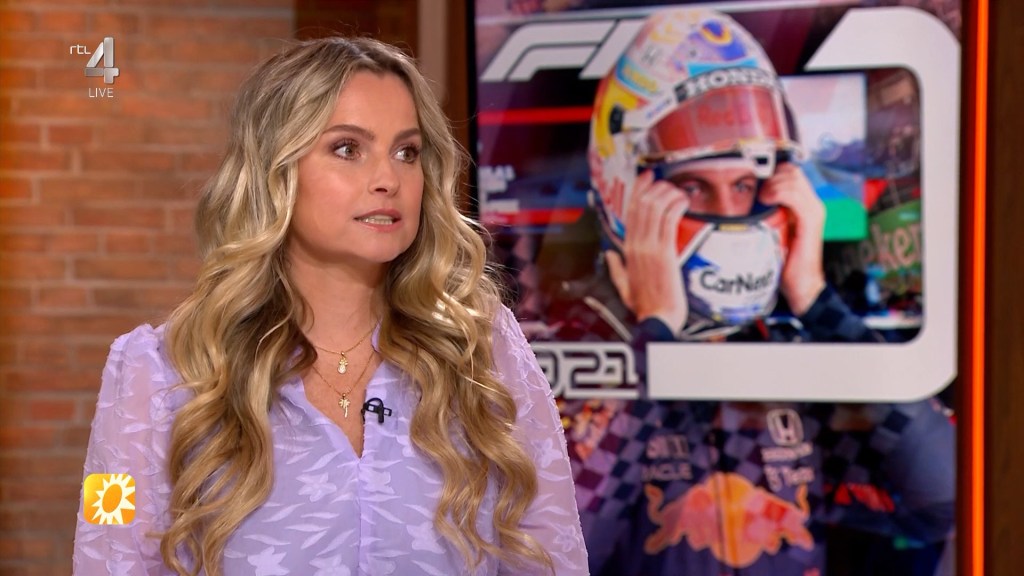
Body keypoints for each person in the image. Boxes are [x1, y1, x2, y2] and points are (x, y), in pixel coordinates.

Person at [73, 36, 587, 576]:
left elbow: (556, 557)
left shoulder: (484, 349)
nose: (388, 180)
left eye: (407, 152)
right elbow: (105, 552)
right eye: (347, 148)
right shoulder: (153, 373)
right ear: (275, 169)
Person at [534, 8, 955, 575]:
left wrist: (818, 302)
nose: (731, 212)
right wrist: (655, 340)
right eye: (692, 186)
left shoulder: (787, 353)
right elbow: (552, 549)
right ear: (626, 191)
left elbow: (946, 496)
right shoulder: (557, 345)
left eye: (746, 185)